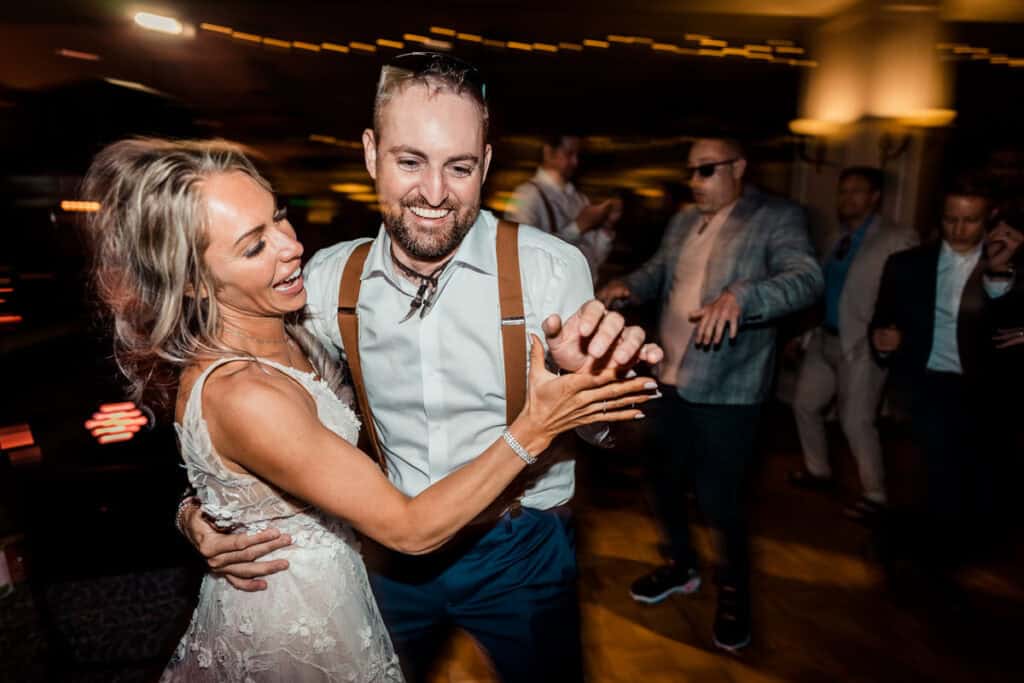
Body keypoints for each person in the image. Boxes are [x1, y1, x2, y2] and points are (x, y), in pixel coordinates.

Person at [82, 138, 655, 682]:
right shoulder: (248, 382)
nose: (291, 244)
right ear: (193, 284)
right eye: (254, 244)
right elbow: (403, 526)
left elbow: (239, 465)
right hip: (309, 612)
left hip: (481, 555)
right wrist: (536, 424)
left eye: (279, 216)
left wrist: (205, 511)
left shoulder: (297, 319)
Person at [598, 137, 823, 652]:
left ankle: (734, 591)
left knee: (721, 499)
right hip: (670, 378)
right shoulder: (683, 221)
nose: (695, 182)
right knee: (660, 479)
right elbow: (660, 273)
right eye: (691, 173)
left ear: (739, 166)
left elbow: (806, 279)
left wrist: (743, 295)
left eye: (706, 171)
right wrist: (625, 285)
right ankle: (681, 564)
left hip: (729, 389)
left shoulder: (776, 216)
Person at [869, 178, 1019, 571]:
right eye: (951, 218)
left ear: (990, 218)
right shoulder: (906, 264)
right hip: (923, 383)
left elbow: (1008, 330)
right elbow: (882, 320)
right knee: (921, 475)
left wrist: (1000, 273)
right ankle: (918, 556)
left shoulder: (1012, 262)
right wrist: (882, 341)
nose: (958, 229)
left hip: (982, 390)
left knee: (972, 478)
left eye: (970, 220)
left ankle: (955, 555)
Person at [788, 167, 917, 520]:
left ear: (875, 197)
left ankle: (876, 496)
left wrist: (897, 332)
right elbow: (822, 290)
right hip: (824, 337)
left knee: (856, 421)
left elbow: (910, 292)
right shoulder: (835, 238)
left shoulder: (897, 238)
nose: (847, 198)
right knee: (804, 405)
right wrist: (805, 333)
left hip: (861, 343)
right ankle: (818, 471)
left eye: (857, 191)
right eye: (843, 191)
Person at [505, 134, 621, 282]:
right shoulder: (524, 196)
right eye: (569, 153)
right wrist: (578, 227)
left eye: (578, 154)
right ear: (548, 152)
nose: (575, 162)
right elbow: (523, 255)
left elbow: (594, 260)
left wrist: (607, 226)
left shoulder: (579, 199)